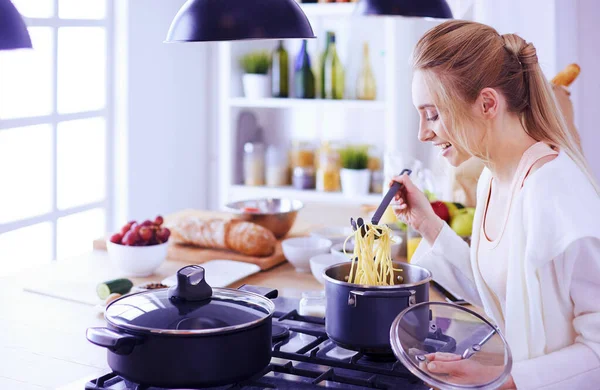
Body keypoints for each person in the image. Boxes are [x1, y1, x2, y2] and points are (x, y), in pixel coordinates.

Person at [391, 20, 600, 389]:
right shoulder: (493, 177)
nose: (423, 133)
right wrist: (429, 225)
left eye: (433, 114)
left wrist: (507, 380)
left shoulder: (555, 193)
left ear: (488, 103)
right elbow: (507, 293)